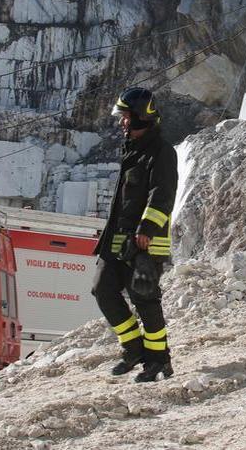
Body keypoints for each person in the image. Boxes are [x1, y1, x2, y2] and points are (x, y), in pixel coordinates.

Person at [92, 87, 178, 382]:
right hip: (118, 240)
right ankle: (134, 349)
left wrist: (146, 230)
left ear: (142, 117)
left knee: (145, 300)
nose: (122, 123)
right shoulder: (131, 149)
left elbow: (162, 195)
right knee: (102, 289)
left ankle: (159, 362)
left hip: (145, 242)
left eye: (126, 117)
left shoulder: (162, 152)